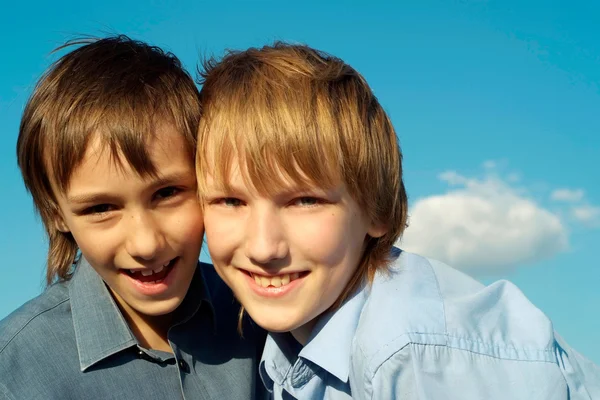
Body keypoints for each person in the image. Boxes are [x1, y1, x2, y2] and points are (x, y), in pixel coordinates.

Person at [195, 42, 600, 399]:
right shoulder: (288, 341)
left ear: (376, 210)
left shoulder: (410, 355)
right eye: (230, 201)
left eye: (305, 201)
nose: (264, 247)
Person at [0, 35, 264, 400]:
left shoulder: (258, 314)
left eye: (167, 193)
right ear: (55, 212)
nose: (145, 244)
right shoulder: (14, 374)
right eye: (101, 209)